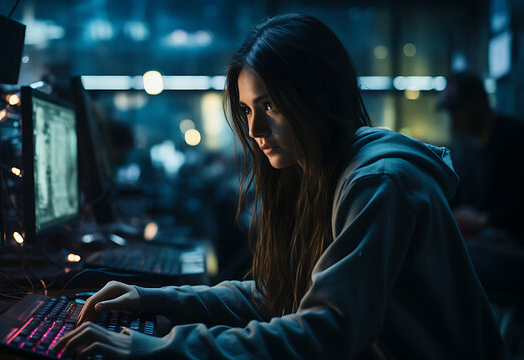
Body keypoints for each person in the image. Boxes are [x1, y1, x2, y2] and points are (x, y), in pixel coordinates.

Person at [52, 14, 504, 359]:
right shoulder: (321, 171)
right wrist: (149, 299)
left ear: (317, 95)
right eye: (247, 111)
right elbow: (278, 295)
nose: (255, 129)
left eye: (269, 105)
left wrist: (156, 349)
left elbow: (327, 330)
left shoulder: (376, 183)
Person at [439, 72, 524, 244]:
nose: (454, 119)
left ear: (478, 103)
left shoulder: (515, 138)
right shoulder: (467, 149)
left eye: (458, 110)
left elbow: (518, 205)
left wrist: (482, 221)